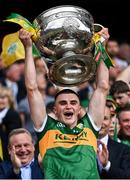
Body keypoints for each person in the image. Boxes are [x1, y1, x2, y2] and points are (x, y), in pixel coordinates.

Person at [19, 26, 109, 179]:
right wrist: (28, 48)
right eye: (63, 103)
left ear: (79, 107)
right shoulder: (45, 127)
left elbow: (102, 87)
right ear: (55, 109)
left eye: (73, 103)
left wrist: (102, 46)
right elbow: (32, 88)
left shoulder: (90, 125)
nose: (68, 106)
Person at [97, 106, 130, 179]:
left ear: (110, 121)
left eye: (105, 118)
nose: (101, 122)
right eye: (97, 118)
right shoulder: (79, 147)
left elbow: (127, 177)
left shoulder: (124, 150)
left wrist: (107, 166)